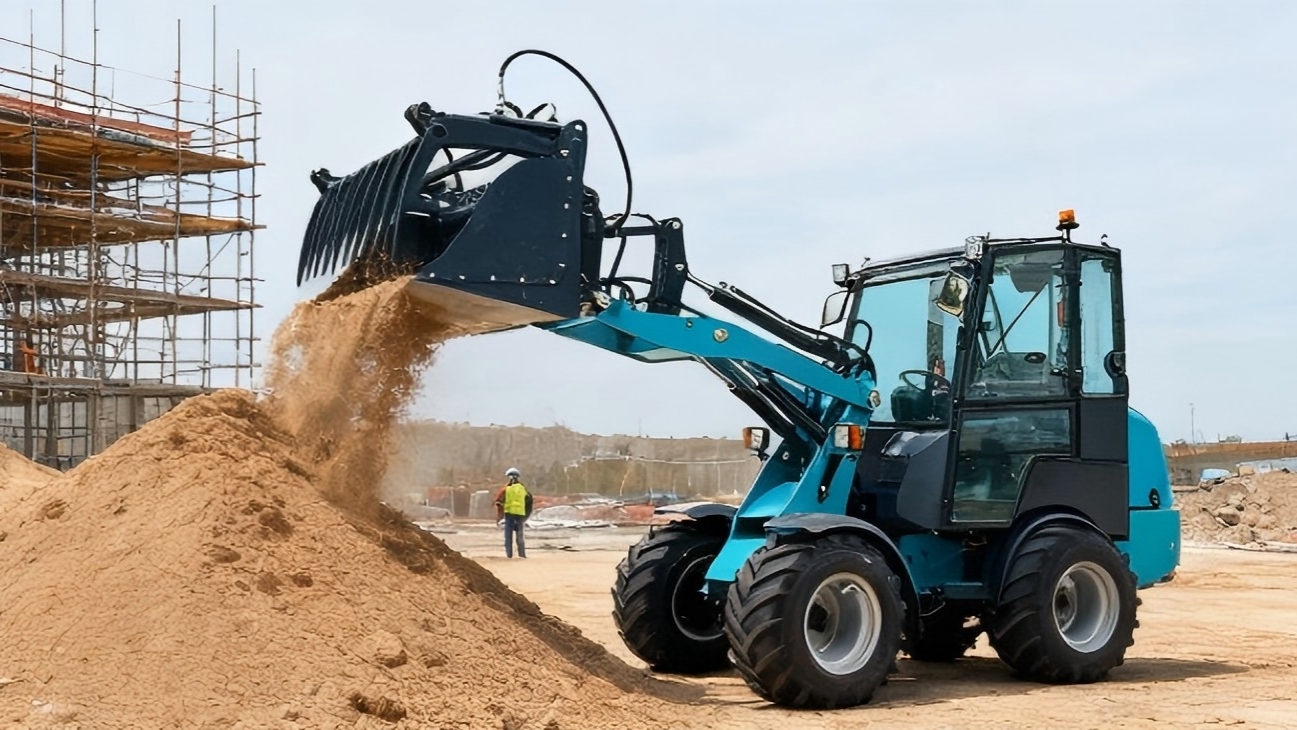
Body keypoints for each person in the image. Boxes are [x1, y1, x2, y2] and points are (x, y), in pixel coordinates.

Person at [494, 467, 532, 558]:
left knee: (508, 536)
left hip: (509, 514)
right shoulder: (523, 489)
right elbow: (529, 503)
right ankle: (522, 555)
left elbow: (498, 503)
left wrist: (499, 518)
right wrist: (526, 516)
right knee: (520, 536)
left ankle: (509, 555)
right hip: (520, 515)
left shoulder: (506, 489)